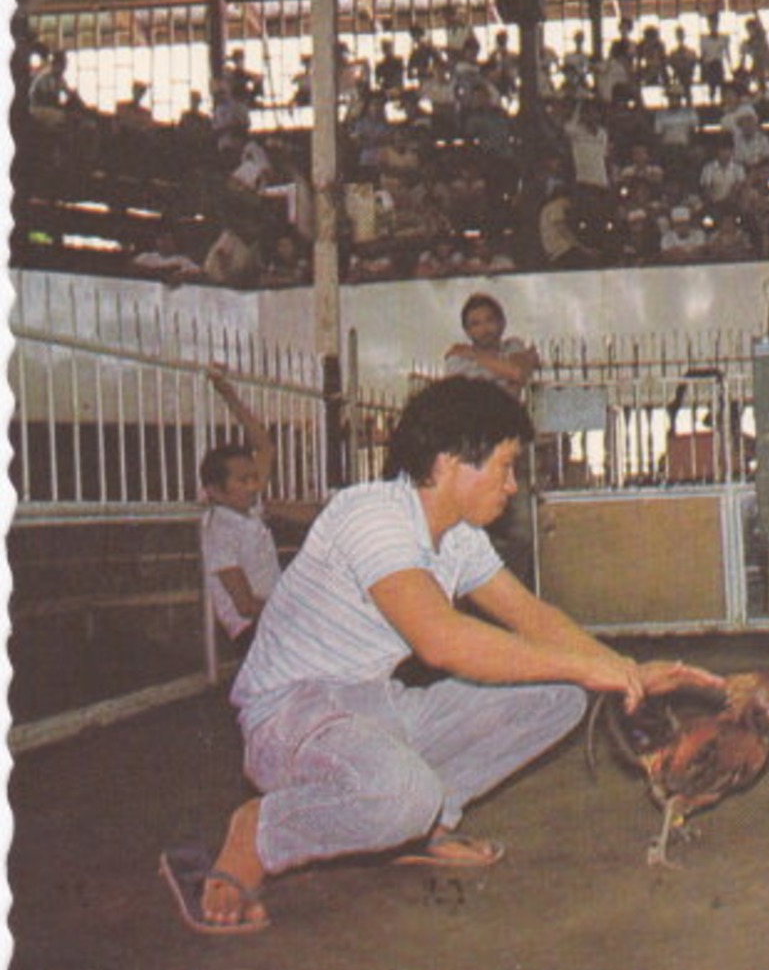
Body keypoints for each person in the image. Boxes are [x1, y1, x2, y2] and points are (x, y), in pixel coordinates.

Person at [162, 377, 720, 933]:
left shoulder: (456, 535)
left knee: (560, 696)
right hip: (290, 716)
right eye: (504, 466)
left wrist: (626, 672)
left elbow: (532, 618)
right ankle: (256, 838)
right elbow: (443, 640)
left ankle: (424, 824)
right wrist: (598, 668)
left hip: (373, 706)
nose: (511, 485)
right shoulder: (371, 515)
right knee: (404, 793)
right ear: (451, 461)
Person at [199, 367, 319, 651]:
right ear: (215, 490)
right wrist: (302, 618)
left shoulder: (248, 508)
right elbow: (245, 606)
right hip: (255, 632)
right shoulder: (220, 531)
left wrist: (227, 392)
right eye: (244, 480)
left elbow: (264, 446)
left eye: (254, 478)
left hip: (277, 619)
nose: (254, 485)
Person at [444, 293, 539, 583]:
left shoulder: (507, 347)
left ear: (501, 322)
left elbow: (517, 371)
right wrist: (507, 381)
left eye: (488, 320)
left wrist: (476, 358)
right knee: (474, 530)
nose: (483, 329)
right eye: (474, 324)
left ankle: (512, 598)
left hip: (513, 455)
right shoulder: (455, 361)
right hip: (475, 456)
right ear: (467, 331)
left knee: (522, 531)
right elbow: (475, 397)